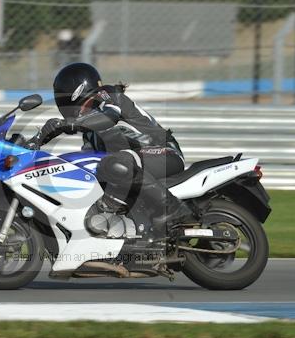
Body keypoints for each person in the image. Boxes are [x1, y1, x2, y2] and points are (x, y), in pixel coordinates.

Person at [27, 62, 197, 235]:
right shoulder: (89, 131)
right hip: (137, 164)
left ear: (76, 91)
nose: (60, 102)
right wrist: (34, 143)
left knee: (116, 162)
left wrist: (69, 124)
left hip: (164, 153)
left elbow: (110, 116)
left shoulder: (107, 95)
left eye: (62, 95)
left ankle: (174, 209)